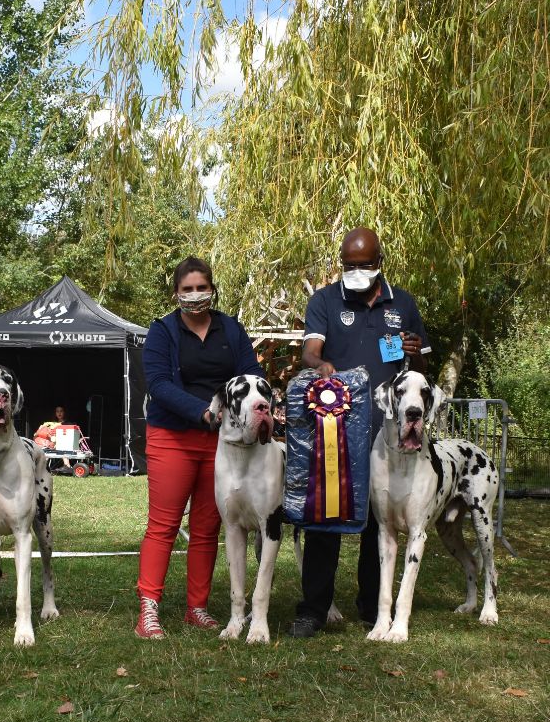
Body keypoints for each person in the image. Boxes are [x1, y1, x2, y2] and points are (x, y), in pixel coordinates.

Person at [287, 227, 430, 639]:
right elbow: (309, 349)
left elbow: (422, 371)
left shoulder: (402, 303)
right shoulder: (326, 300)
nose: (354, 273)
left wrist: (415, 350)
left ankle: (373, 607)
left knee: (378, 523)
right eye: (347, 266)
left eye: (362, 266)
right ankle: (313, 609)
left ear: (379, 263)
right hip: (336, 433)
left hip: (386, 435)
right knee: (324, 518)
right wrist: (320, 365)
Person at [136, 257, 265, 639]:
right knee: (164, 525)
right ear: (176, 292)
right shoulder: (162, 331)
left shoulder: (232, 329)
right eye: (187, 289)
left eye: (201, 287)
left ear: (212, 288)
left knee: (209, 526)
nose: (195, 295)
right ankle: (148, 610)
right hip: (172, 437)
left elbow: (252, 374)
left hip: (222, 443)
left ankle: (197, 607)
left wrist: (258, 408)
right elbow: (158, 384)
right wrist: (202, 412)